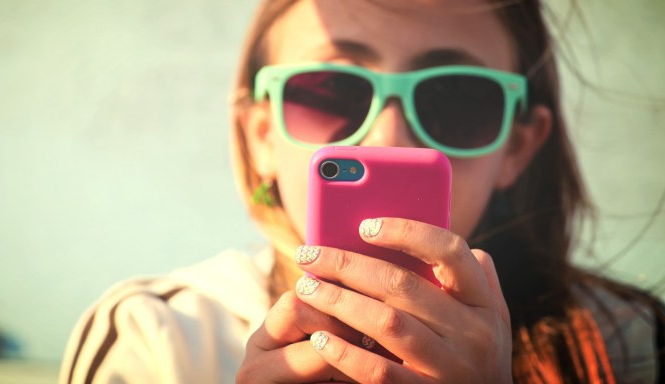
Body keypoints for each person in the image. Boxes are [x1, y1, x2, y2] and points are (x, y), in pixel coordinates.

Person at [59, 0, 664, 382]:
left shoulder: (631, 341)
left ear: (517, 147)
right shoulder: (157, 338)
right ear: (261, 136)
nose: (389, 138)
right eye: (331, 92)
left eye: (457, 99)